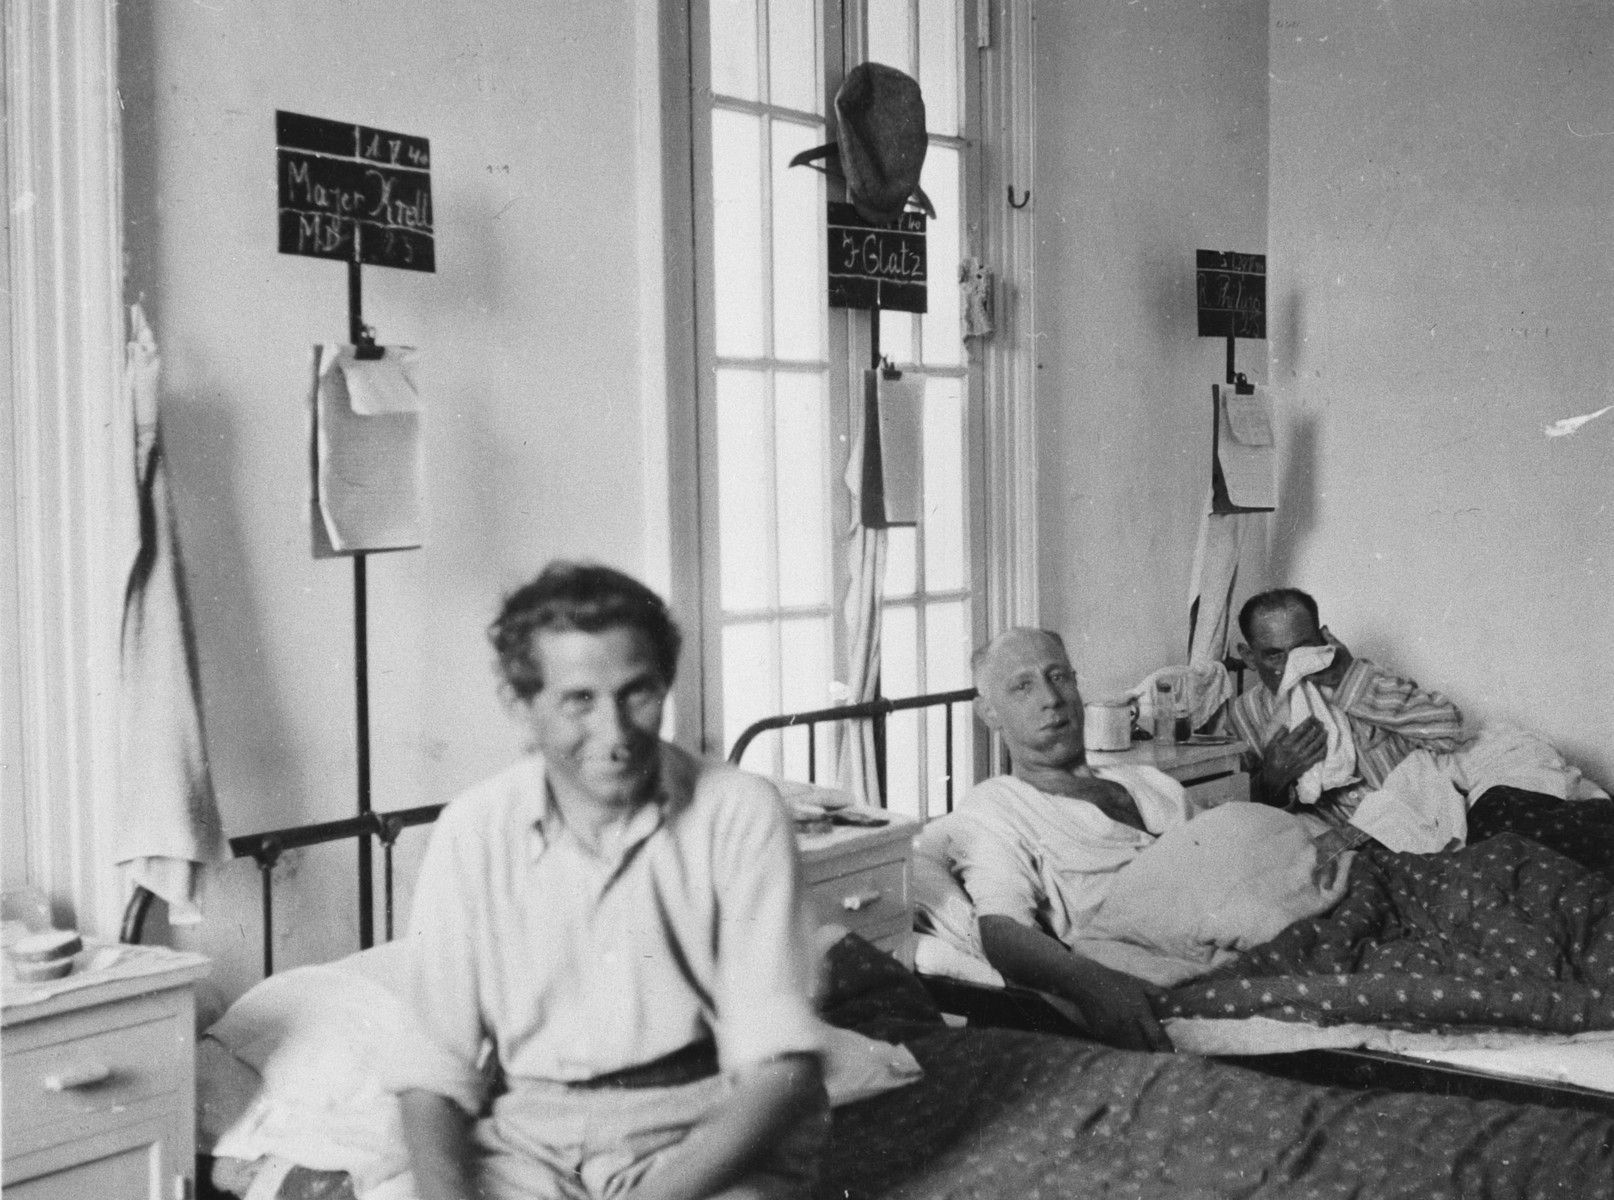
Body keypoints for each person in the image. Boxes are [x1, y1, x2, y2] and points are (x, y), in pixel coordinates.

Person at [388, 562, 827, 1200]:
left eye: (637, 692)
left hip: (705, 1131)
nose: (614, 733)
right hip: (528, 1141)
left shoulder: (739, 810)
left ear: (666, 685)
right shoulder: (473, 829)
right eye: (579, 701)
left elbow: (781, 1065)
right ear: (522, 705)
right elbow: (434, 1065)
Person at [946, 627, 1179, 1053]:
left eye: (1058, 677)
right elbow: (1001, 928)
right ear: (989, 713)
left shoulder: (1149, 782)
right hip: (1164, 964)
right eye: (1022, 686)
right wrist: (1096, 986)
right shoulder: (997, 807)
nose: (1050, 699)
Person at [1228, 588, 1466, 813]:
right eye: (1275, 655)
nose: (1292, 666)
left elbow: (1449, 731)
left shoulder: (1362, 678)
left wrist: (1348, 681)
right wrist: (1273, 778)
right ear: (1249, 657)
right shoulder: (1246, 715)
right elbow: (1241, 808)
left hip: (1418, 816)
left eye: (1303, 651)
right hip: (1345, 842)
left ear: (1323, 641)